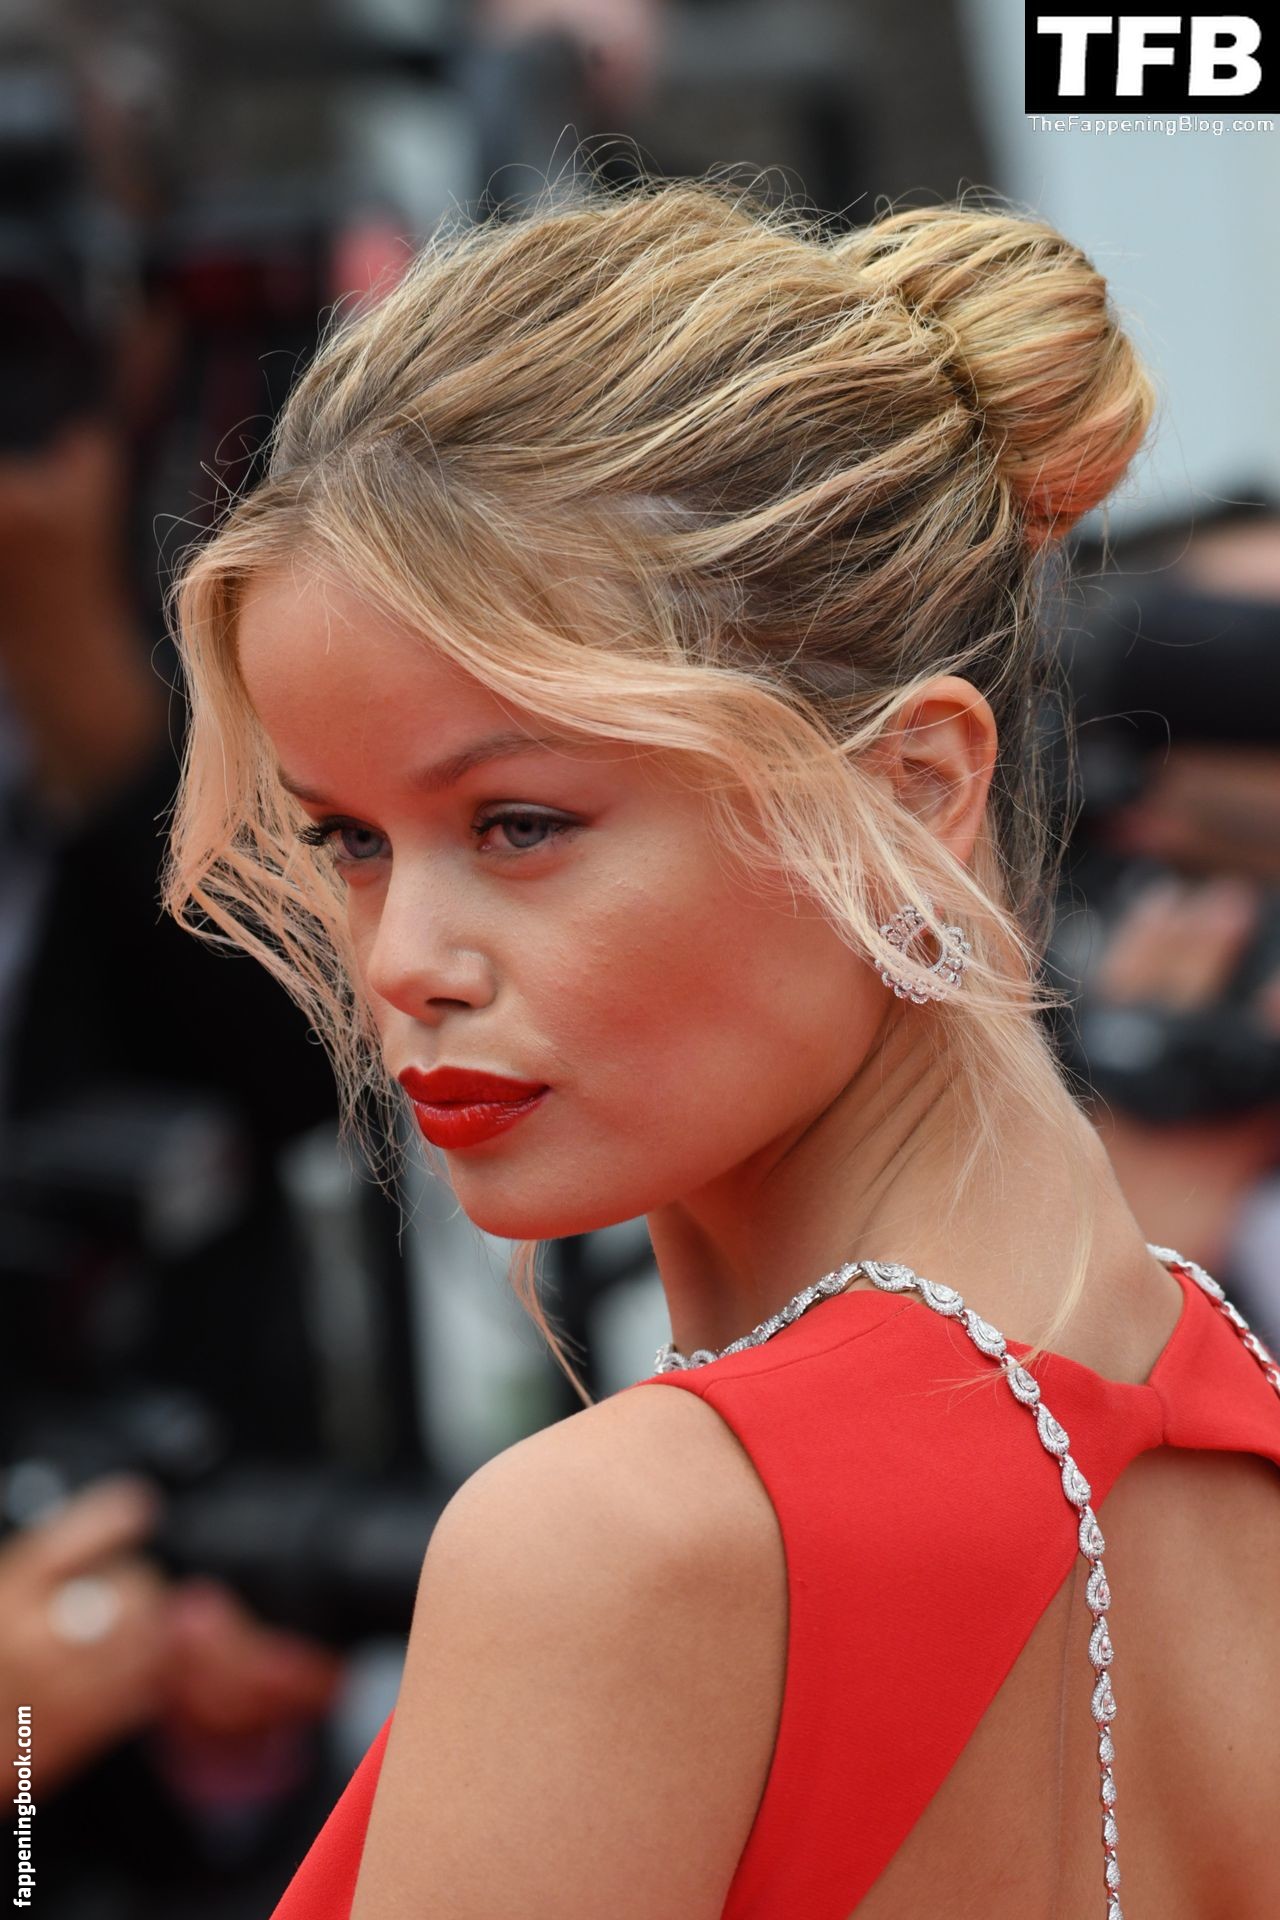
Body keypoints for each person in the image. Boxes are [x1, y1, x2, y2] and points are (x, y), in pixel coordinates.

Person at [159, 171, 1280, 1918]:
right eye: (349, 841)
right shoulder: (1237, 1437)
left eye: (519, 824)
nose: (405, 963)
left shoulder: (627, 1546)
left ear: (912, 791)